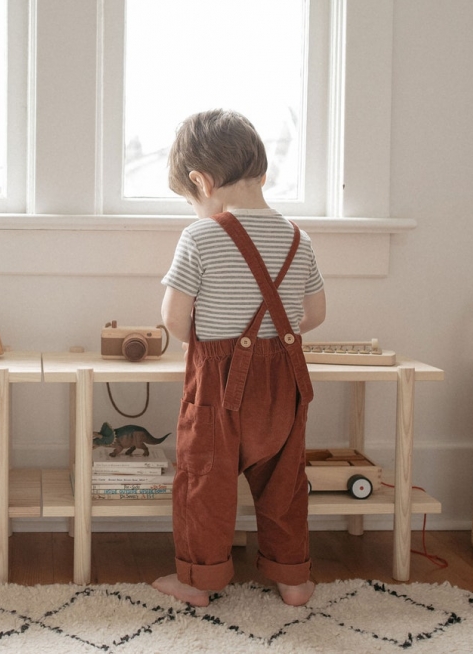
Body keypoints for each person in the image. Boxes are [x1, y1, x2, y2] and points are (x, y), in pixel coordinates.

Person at [152, 108, 326, 608]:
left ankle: (198, 581)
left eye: (191, 200)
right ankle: (293, 579)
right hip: (284, 385)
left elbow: (175, 320)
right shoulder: (298, 237)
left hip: (219, 387)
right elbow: (313, 314)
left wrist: (207, 336)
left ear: (201, 182)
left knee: (204, 483)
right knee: (285, 484)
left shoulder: (200, 237)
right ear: (262, 173)